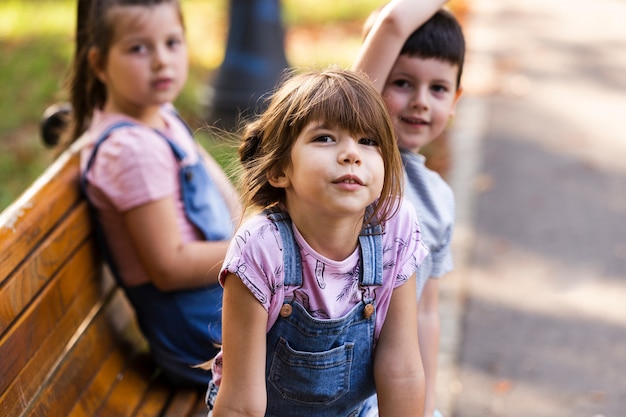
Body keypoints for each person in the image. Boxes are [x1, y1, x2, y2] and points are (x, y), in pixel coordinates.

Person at [205, 68, 429, 417]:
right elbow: (241, 404)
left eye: (368, 141)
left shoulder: (394, 226)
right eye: (325, 138)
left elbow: (400, 368)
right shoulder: (261, 248)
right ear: (279, 170)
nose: (351, 154)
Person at [66, 0, 241, 388]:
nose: (162, 61)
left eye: (172, 42)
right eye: (138, 48)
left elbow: (225, 196)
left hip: (219, 312)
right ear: (98, 64)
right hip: (202, 339)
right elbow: (169, 267)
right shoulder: (130, 150)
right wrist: (257, 249)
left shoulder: (161, 116)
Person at [353, 1, 465, 416]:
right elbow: (395, 22)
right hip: (330, 380)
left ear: (455, 100)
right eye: (402, 82)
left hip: (395, 388)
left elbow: (427, 313)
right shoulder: (362, 157)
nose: (420, 102)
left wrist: (427, 406)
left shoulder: (439, 198)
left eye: (437, 89)